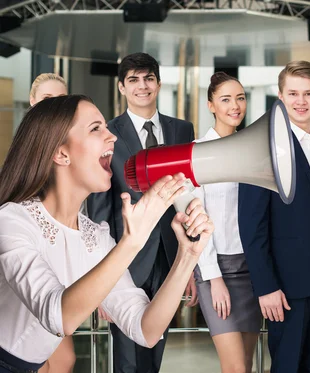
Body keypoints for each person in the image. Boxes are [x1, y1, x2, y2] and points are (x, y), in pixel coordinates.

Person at [0, 95, 213, 373]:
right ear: (61, 154)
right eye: (95, 128)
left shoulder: (95, 237)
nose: (111, 136)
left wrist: (187, 255)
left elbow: (145, 329)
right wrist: (132, 242)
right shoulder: (12, 220)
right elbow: (59, 317)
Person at [86, 52, 197, 373]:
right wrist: (103, 279)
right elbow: (99, 211)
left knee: (155, 344)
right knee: (127, 354)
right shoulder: (106, 133)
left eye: (148, 78)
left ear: (159, 84)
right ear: (121, 87)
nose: (142, 86)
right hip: (126, 258)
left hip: (170, 254)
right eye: (133, 80)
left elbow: (188, 197)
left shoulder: (181, 129)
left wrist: (188, 265)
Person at [238, 60, 310, 373]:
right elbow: (251, 225)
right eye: (294, 93)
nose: (301, 101)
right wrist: (266, 286)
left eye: (308, 94)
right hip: (283, 285)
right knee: (287, 366)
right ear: (281, 96)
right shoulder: (262, 146)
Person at [192, 72, 261, 373]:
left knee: (246, 363)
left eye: (240, 98)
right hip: (216, 269)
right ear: (211, 106)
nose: (235, 105)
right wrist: (214, 277)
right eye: (225, 99)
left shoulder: (254, 151)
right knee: (234, 366)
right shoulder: (197, 153)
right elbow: (196, 221)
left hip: (252, 269)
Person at [28, 73, 75, 373]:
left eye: (60, 101)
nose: (54, 107)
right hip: (26, 263)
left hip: (59, 264)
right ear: (33, 103)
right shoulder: (25, 148)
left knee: (62, 358)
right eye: (47, 100)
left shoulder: (70, 150)